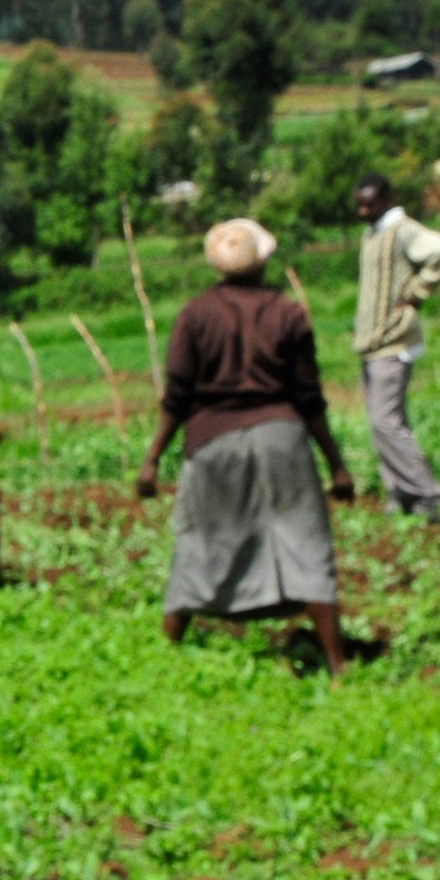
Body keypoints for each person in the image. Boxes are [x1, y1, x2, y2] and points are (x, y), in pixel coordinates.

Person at [136, 218, 358, 675]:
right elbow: (308, 397)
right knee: (304, 540)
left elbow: (176, 396)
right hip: (283, 440)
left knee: (201, 542)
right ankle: (337, 665)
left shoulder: (196, 315)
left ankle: (166, 657)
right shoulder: (288, 313)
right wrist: (336, 464)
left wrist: (152, 458)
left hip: (213, 441)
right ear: (262, 262)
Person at [351, 172, 440, 523]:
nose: (363, 210)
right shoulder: (373, 234)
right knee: (381, 422)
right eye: (359, 204)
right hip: (374, 343)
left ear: (387, 199)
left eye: (370, 203)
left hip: (393, 342)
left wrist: (415, 293)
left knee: (386, 423)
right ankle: (401, 493)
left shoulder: (402, 230)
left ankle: (429, 492)